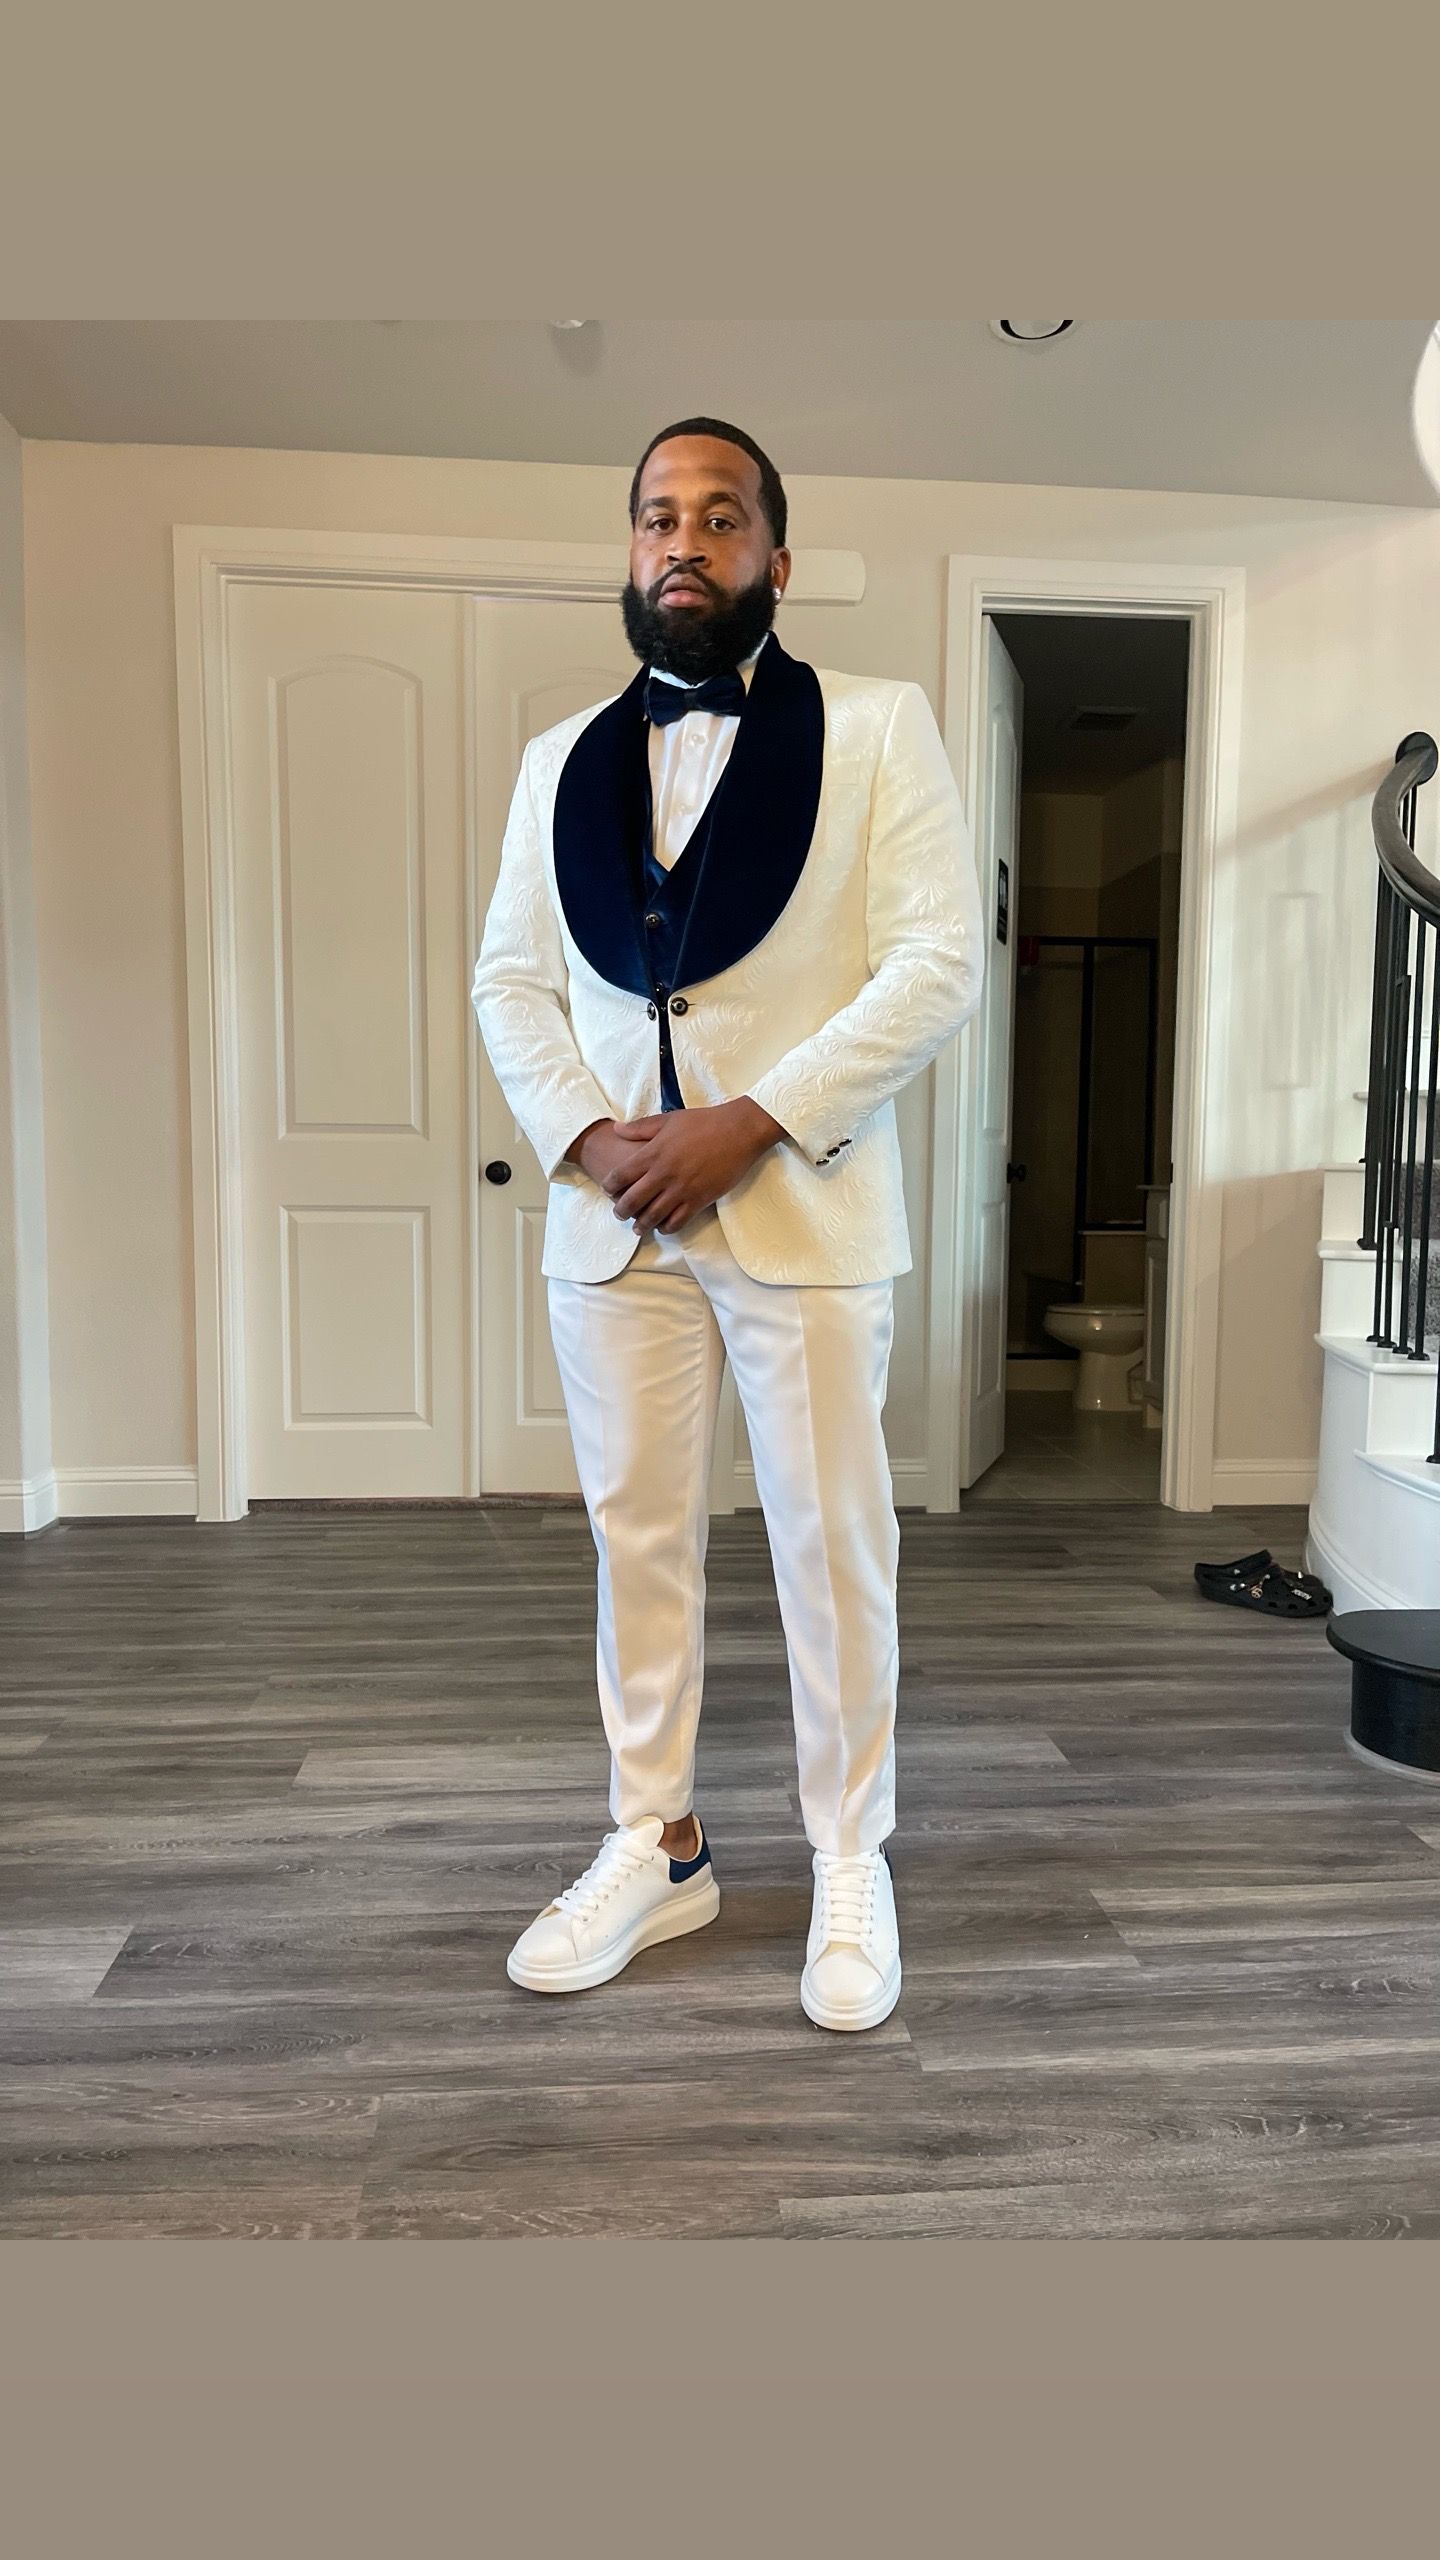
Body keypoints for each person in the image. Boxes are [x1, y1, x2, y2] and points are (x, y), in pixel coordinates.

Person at [471, 417, 983, 2030]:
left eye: (717, 517)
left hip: (801, 1207)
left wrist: (748, 1119)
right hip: (612, 1222)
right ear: (631, 551)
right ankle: (658, 1844)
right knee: (636, 1543)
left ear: (776, 555)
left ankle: (850, 1856)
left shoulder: (879, 728)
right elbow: (510, 982)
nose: (680, 543)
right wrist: (587, 1134)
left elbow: (937, 964)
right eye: (655, 518)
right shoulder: (557, 759)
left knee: (834, 1544)